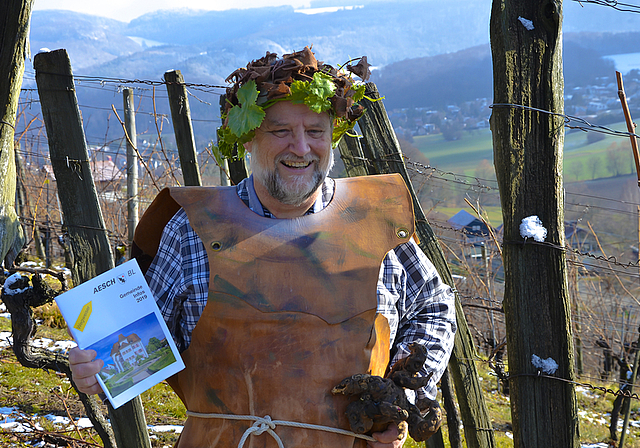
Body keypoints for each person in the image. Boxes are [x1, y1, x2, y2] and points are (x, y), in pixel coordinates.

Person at [69, 47, 456, 448]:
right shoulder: (193, 228)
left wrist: (397, 397)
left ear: (332, 138)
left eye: (315, 131)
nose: (301, 148)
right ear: (249, 137)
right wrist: (96, 366)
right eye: (280, 130)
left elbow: (435, 304)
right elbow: (123, 345)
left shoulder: (375, 225)